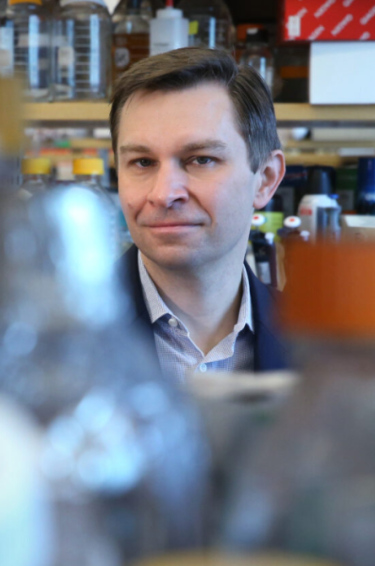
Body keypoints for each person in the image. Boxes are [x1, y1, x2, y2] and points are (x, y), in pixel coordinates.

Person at [111, 47, 289, 383]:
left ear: (265, 179)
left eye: (201, 159)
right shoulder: (48, 340)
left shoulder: (324, 349)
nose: (164, 194)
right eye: (143, 162)